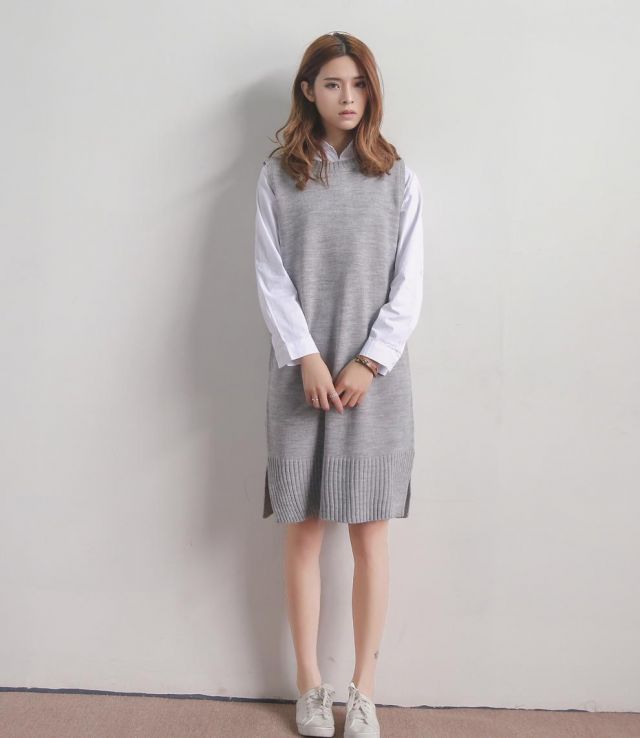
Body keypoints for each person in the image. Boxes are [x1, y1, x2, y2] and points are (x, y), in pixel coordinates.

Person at [254, 31, 424, 738]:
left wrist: (367, 362)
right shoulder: (278, 177)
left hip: (374, 386)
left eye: (357, 84)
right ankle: (309, 685)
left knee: (369, 535)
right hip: (301, 381)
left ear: (371, 91)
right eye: (332, 83)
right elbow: (271, 278)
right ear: (308, 91)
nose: (347, 97)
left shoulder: (397, 176)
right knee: (302, 531)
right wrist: (307, 357)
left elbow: (409, 287)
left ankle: (364, 690)